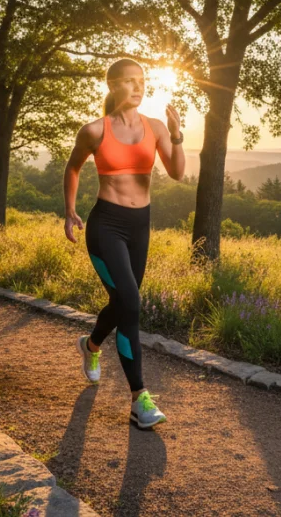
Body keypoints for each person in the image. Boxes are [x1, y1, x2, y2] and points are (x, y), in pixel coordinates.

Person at [62, 58, 185, 429]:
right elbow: (72, 167)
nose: (138, 87)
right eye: (129, 82)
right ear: (113, 85)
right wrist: (70, 211)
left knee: (123, 301)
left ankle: (91, 345)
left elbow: (178, 173)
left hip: (140, 227)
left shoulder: (156, 127)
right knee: (131, 302)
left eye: (142, 81)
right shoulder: (95, 130)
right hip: (106, 227)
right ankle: (139, 400)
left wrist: (177, 135)